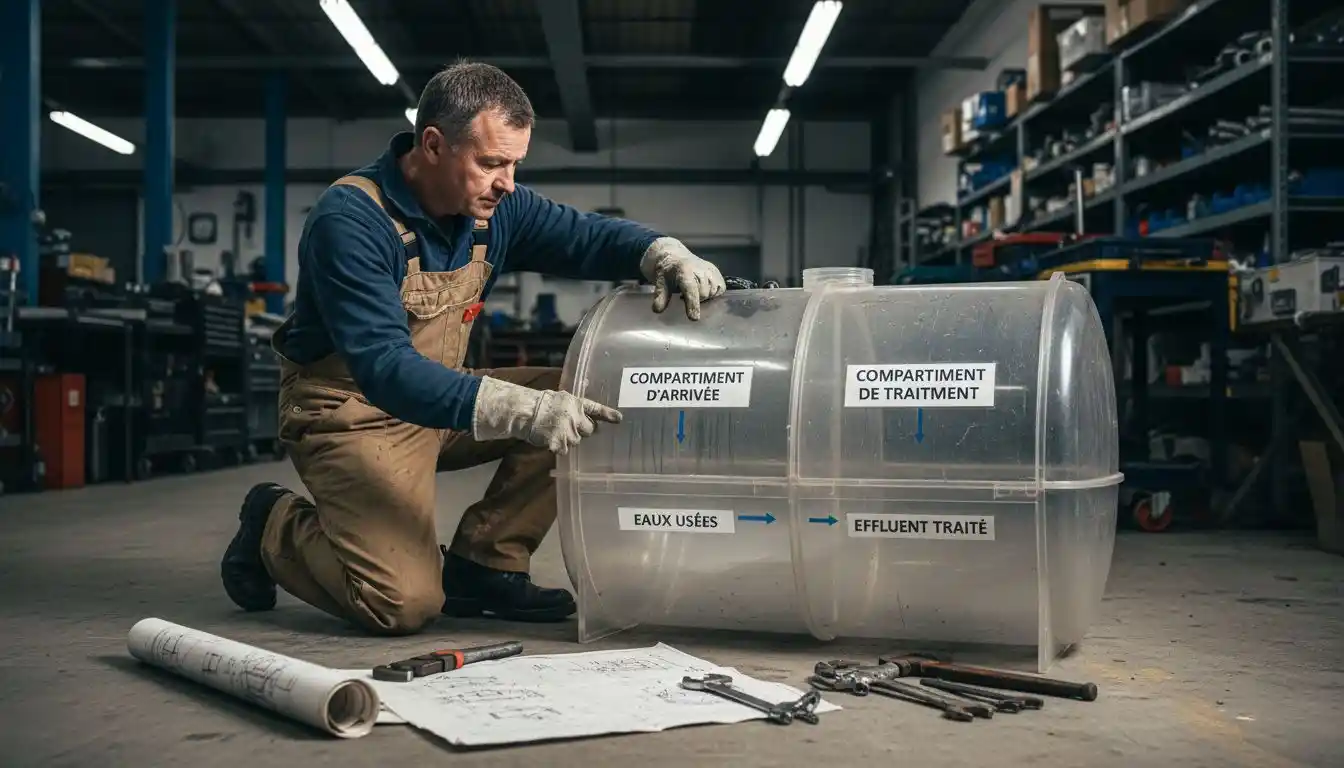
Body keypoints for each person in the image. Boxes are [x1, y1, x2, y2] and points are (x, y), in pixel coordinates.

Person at [220, 62, 726, 635]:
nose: (507, 182)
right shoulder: (352, 220)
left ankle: (486, 563)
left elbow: (587, 236)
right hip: (350, 409)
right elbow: (384, 368)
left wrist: (662, 252)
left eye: (514, 164)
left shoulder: (495, 208)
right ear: (433, 145)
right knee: (400, 602)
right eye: (491, 163)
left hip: (438, 402)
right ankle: (273, 522)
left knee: (589, 398)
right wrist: (522, 409)